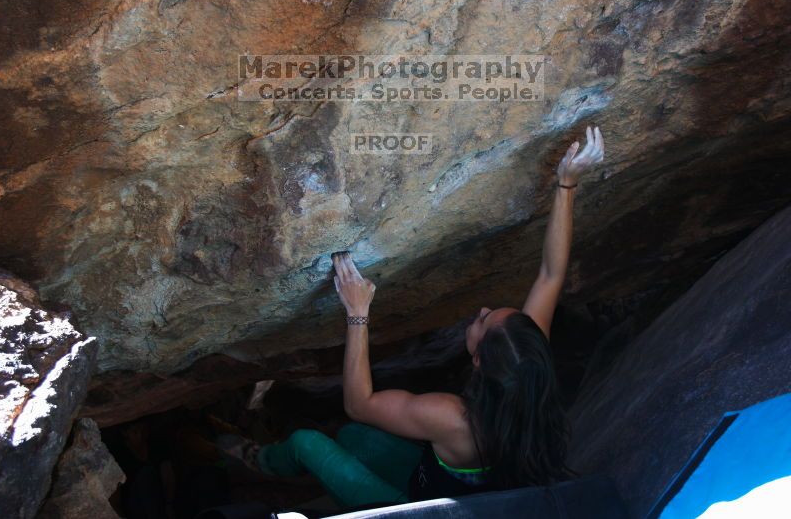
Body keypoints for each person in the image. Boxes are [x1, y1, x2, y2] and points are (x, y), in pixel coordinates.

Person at [218, 126, 606, 510]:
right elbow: (551, 274)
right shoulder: (524, 368)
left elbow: (359, 402)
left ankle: (259, 462)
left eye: (482, 322)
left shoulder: (453, 418)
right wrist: (567, 184)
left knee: (307, 442)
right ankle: (315, 480)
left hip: (417, 507)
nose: (483, 311)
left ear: (477, 361)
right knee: (355, 437)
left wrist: (357, 313)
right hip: (436, 477)